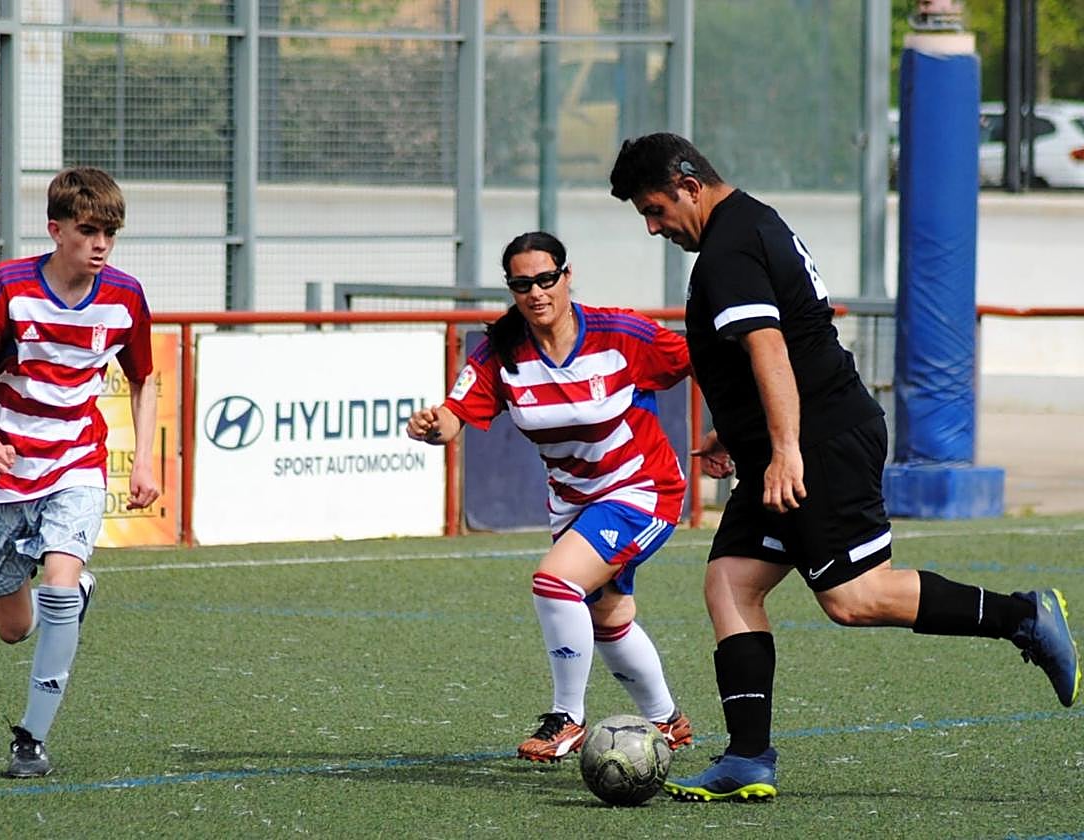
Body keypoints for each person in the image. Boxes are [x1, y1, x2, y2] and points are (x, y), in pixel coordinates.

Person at [609, 132, 1080, 802]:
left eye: (654, 209)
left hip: (817, 444)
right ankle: (748, 758)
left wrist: (785, 449)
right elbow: (792, 342)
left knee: (856, 598)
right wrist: (738, 431)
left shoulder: (728, 247)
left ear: (687, 183)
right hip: (792, 439)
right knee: (731, 585)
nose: (654, 227)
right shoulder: (750, 223)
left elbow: (771, 349)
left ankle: (1023, 616)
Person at [407, 230, 713, 762]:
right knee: (609, 619)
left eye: (546, 279)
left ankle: (567, 719)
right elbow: (454, 418)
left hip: (642, 487)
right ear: (512, 289)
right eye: (522, 284)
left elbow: (705, 359)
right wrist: (432, 426)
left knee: (555, 582)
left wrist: (732, 430)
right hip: (573, 502)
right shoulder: (502, 354)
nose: (537, 292)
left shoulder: (621, 333)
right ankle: (669, 724)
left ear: (566, 277)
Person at [0, 166, 160, 778]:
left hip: (76, 463)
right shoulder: (9, 286)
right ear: (56, 229)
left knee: (61, 589)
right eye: (89, 230)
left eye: (110, 234)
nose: (101, 244)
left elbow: (144, 379)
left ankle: (30, 739)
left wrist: (142, 459)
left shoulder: (125, 297)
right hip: (3, 473)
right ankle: (67, 598)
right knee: (13, 628)